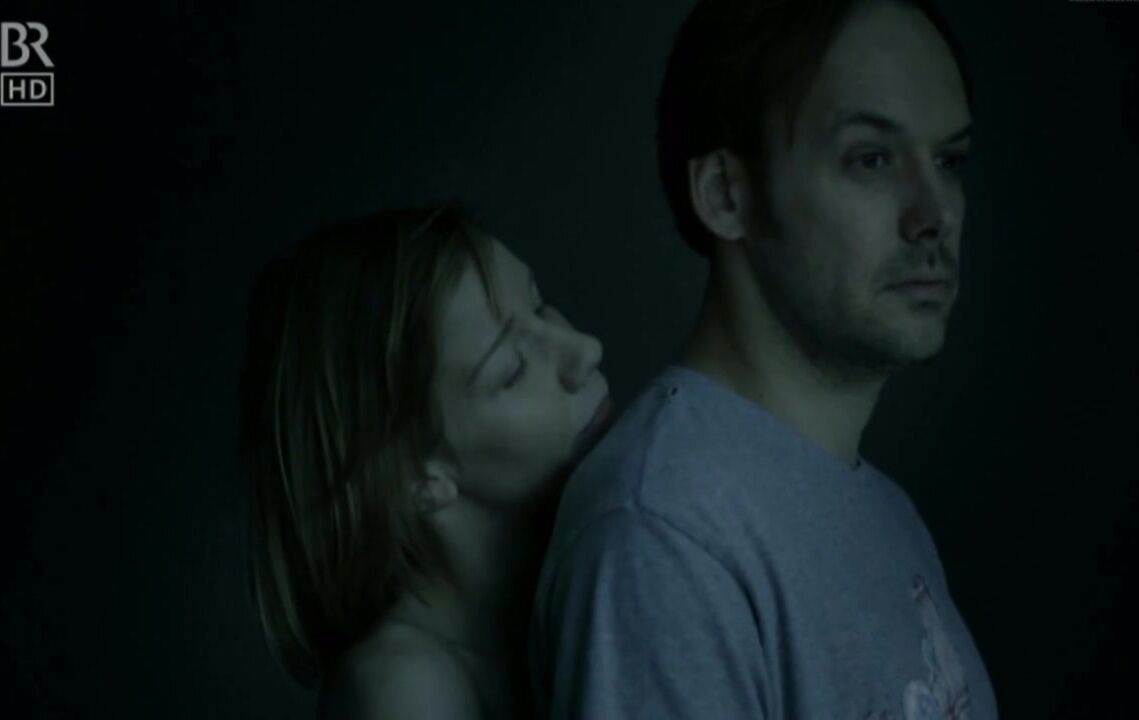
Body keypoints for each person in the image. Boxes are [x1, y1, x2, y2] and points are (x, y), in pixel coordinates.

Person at [530, 0, 997, 718]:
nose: (934, 214)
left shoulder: (883, 509)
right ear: (726, 195)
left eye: (949, 160)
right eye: (871, 159)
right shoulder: (664, 532)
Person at [239, 205, 612, 719]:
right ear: (415, 477)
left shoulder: (555, 618)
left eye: (541, 307)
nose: (586, 350)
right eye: (511, 368)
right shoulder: (405, 689)